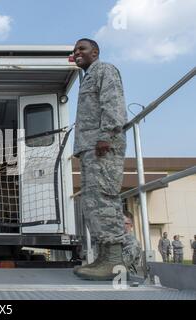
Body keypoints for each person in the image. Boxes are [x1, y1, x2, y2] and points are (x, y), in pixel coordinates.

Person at [72, 39, 128, 281]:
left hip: (102, 146)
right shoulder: (88, 77)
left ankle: (114, 261)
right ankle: (104, 258)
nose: (77, 53)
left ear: (95, 52)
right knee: (93, 202)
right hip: (91, 149)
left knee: (104, 199)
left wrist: (106, 135)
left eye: (81, 49)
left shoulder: (105, 69)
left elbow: (113, 104)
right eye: (74, 50)